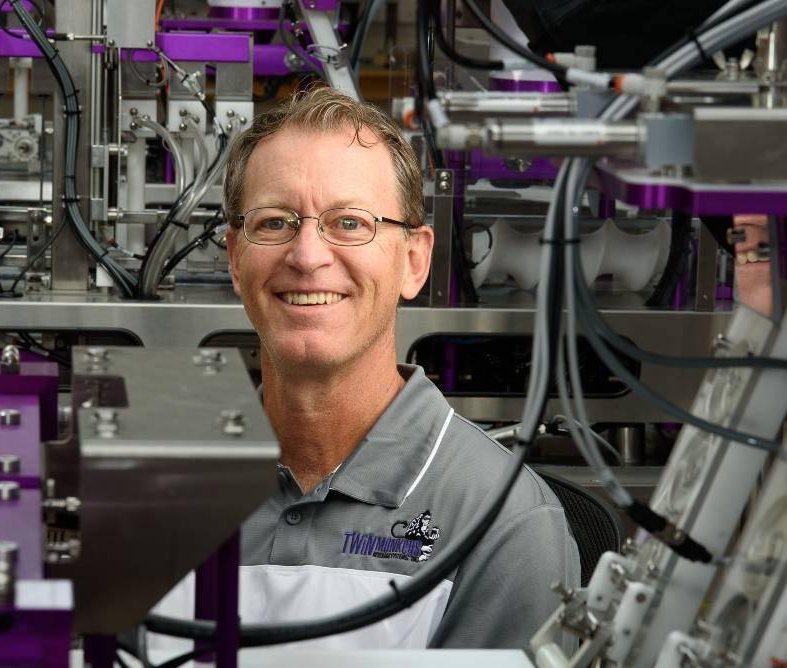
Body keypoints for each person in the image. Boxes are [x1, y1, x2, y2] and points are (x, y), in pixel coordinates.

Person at [153, 85, 579, 650]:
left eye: (350, 223)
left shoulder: (504, 524)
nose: (307, 256)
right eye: (276, 222)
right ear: (235, 259)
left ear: (414, 260)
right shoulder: (161, 500)